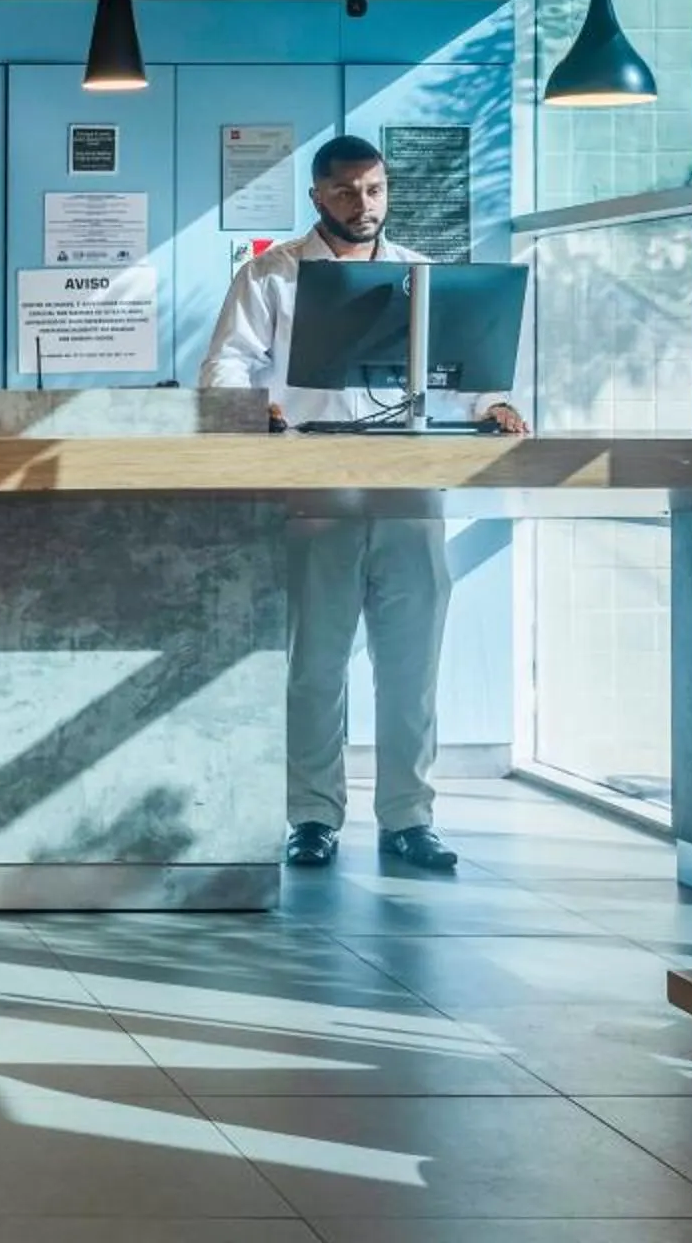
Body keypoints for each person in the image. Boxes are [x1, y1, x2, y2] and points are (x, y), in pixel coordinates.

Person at [200, 134, 526, 875]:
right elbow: (224, 365)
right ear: (317, 196)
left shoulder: (422, 276)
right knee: (315, 664)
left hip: (407, 486)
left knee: (410, 664)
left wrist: (495, 401)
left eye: (374, 190)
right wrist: (257, 409)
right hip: (315, 486)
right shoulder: (273, 274)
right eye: (346, 191)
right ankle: (312, 816)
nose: (363, 204)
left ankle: (409, 819)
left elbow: (464, 366)